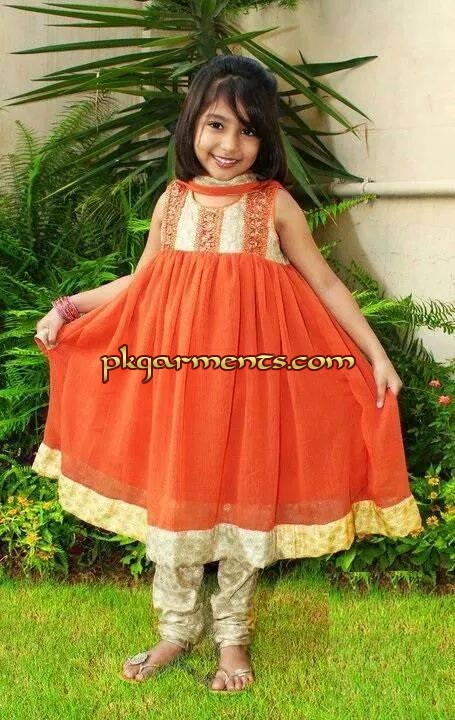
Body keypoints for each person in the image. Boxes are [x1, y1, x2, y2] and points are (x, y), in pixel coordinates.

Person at [32, 54, 423, 692]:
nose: (230, 144)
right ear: (192, 124)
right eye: (216, 125)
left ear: (265, 140)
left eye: (248, 131)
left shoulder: (274, 205)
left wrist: (376, 356)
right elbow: (141, 281)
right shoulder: (173, 200)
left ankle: (233, 637)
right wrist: (68, 307)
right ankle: (175, 630)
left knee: (247, 501)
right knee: (175, 502)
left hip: (253, 389)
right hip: (179, 389)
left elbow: (325, 283)